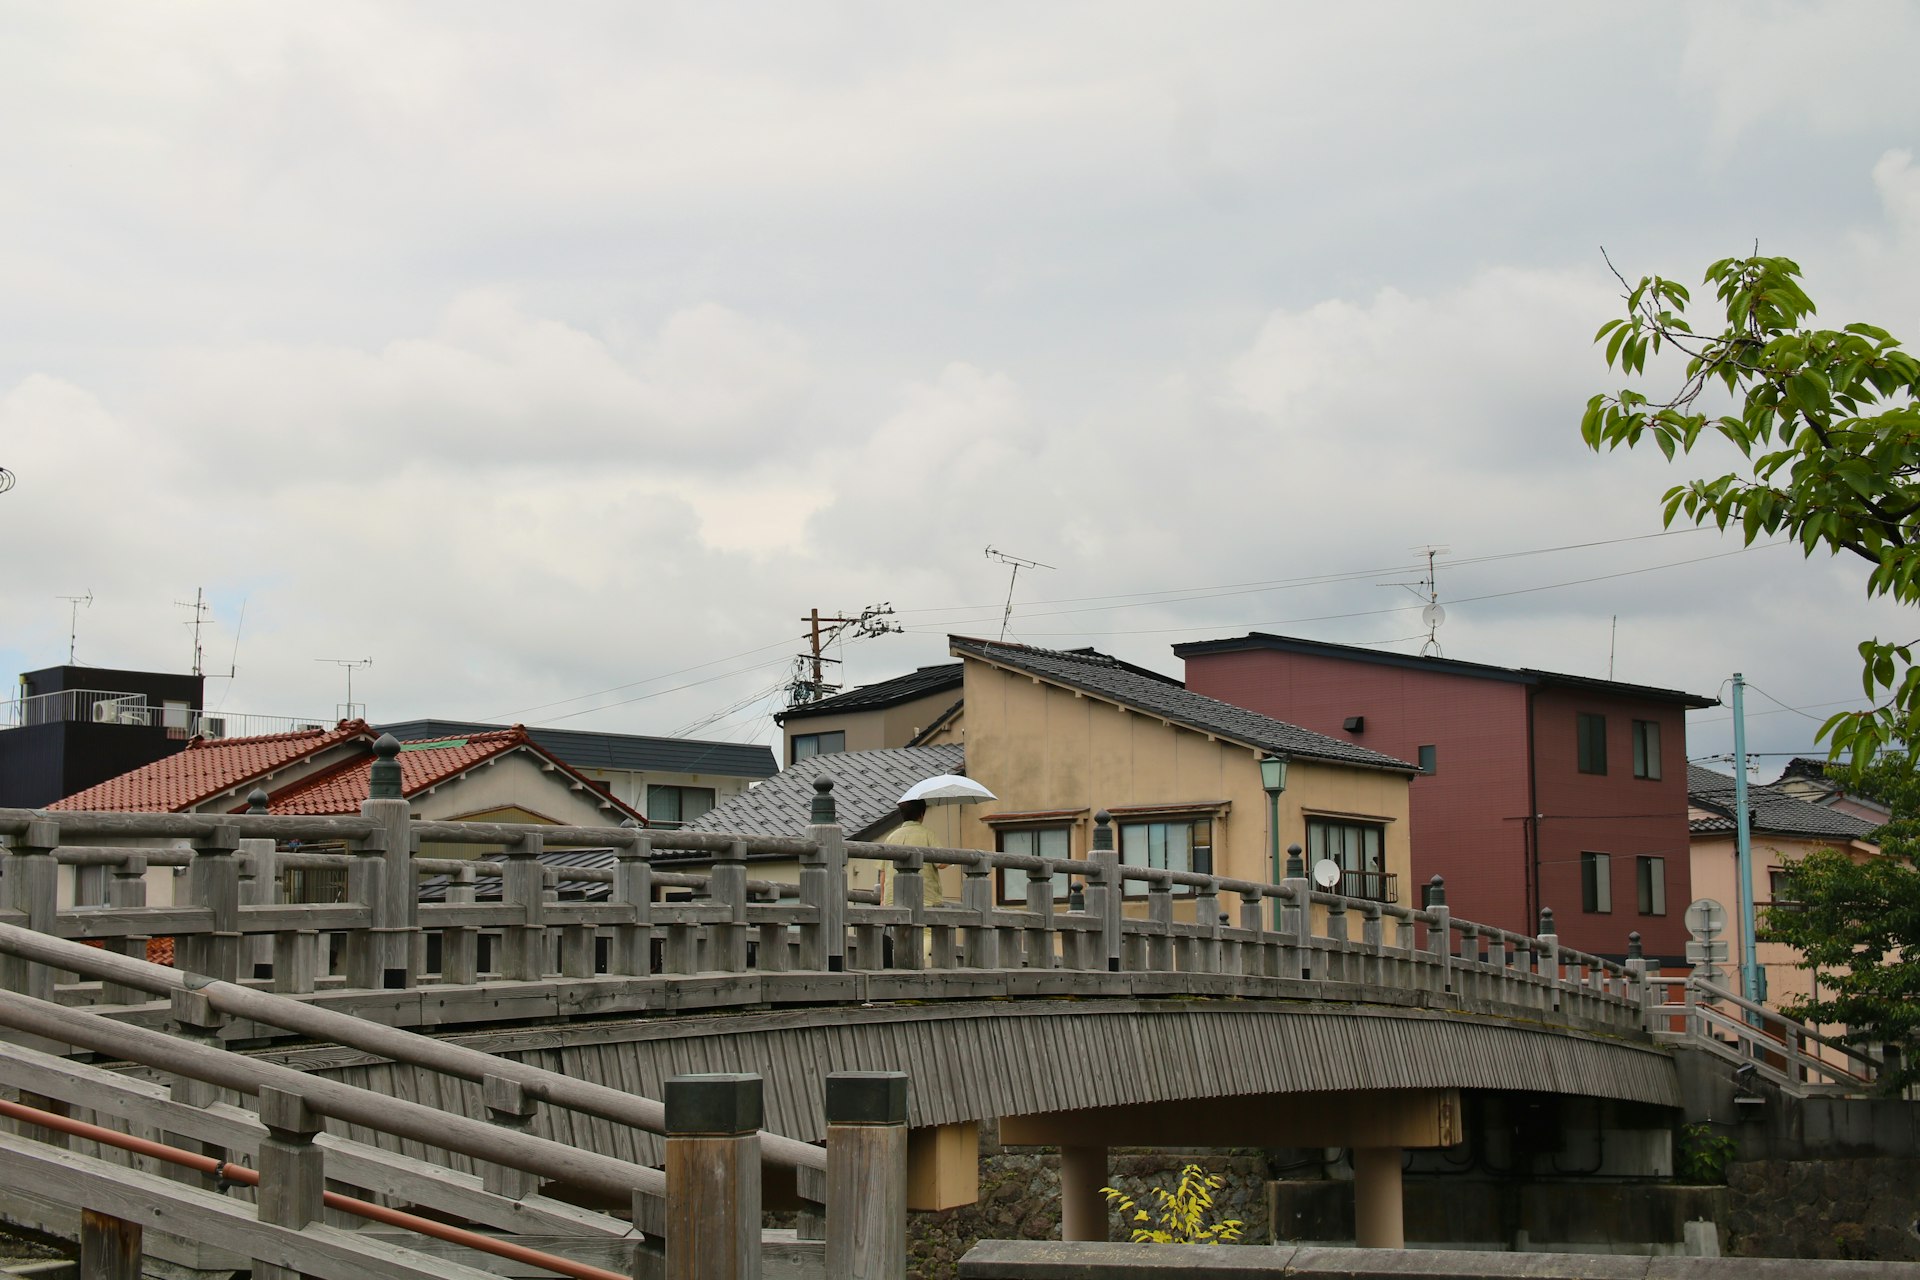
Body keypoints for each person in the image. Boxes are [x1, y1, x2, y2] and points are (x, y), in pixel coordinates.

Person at [881, 799, 945, 907]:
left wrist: (882, 899)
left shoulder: (891, 837)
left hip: (892, 900)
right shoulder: (928, 834)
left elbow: (883, 872)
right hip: (924, 900)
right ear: (921, 814)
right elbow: (941, 863)